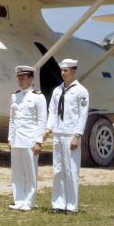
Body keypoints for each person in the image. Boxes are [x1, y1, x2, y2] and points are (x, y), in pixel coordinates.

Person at [47, 58, 89, 213]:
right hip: (57, 134)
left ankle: (72, 206)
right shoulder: (57, 90)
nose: (63, 73)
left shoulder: (81, 91)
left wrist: (77, 135)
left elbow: (83, 115)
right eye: (62, 71)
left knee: (71, 170)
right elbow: (52, 111)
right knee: (58, 170)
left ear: (73, 71)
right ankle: (58, 204)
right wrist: (48, 128)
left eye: (66, 70)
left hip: (71, 134)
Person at [7, 65, 47, 211]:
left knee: (30, 172)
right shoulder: (15, 95)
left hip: (30, 139)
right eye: (19, 77)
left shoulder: (38, 96)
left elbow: (42, 120)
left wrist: (39, 141)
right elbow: (12, 119)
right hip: (17, 140)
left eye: (23, 77)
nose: (20, 79)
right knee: (17, 172)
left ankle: (29, 201)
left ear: (31, 78)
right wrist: (10, 138)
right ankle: (19, 200)